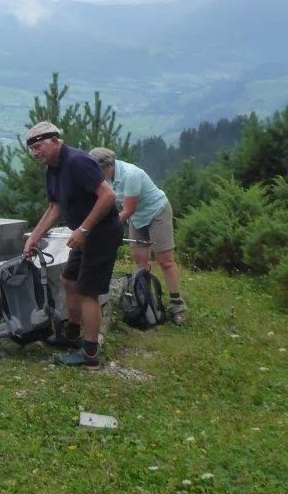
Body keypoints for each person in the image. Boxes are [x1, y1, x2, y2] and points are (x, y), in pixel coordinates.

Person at [22, 122, 122, 367]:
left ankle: (90, 356)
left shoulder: (77, 162)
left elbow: (108, 196)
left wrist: (83, 229)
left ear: (55, 141)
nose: (36, 153)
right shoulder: (52, 169)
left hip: (101, 233)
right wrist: (34, 236)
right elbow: (55, 207)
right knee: (70, 281)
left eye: (39, 147)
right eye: (32, 149)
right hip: (83, 234)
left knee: (88, 291)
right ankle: (72, 336)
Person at [89, 147, 187, 324]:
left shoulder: (130, 175)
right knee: (140, 260)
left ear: (107, 166)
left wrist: (102, 227)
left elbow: (128, 210)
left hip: (157, 212)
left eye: (96, 169)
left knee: (165, 260)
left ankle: (177, 305)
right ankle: (144, 301)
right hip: (137, 218)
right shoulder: (106, 178)